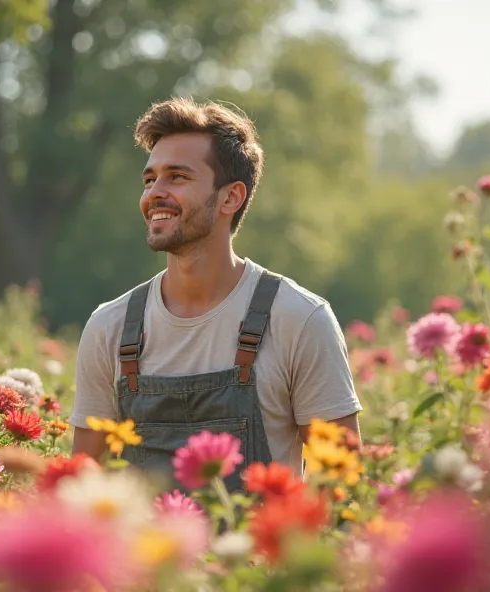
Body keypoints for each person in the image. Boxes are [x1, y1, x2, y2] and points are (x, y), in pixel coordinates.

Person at [69, 96, 361, 490]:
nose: (155, 192)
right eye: (150, 178)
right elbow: (82, 489)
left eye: (177, 176)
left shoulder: (298, 318)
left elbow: (342, 489)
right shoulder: (111, 326)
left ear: (231, 197)